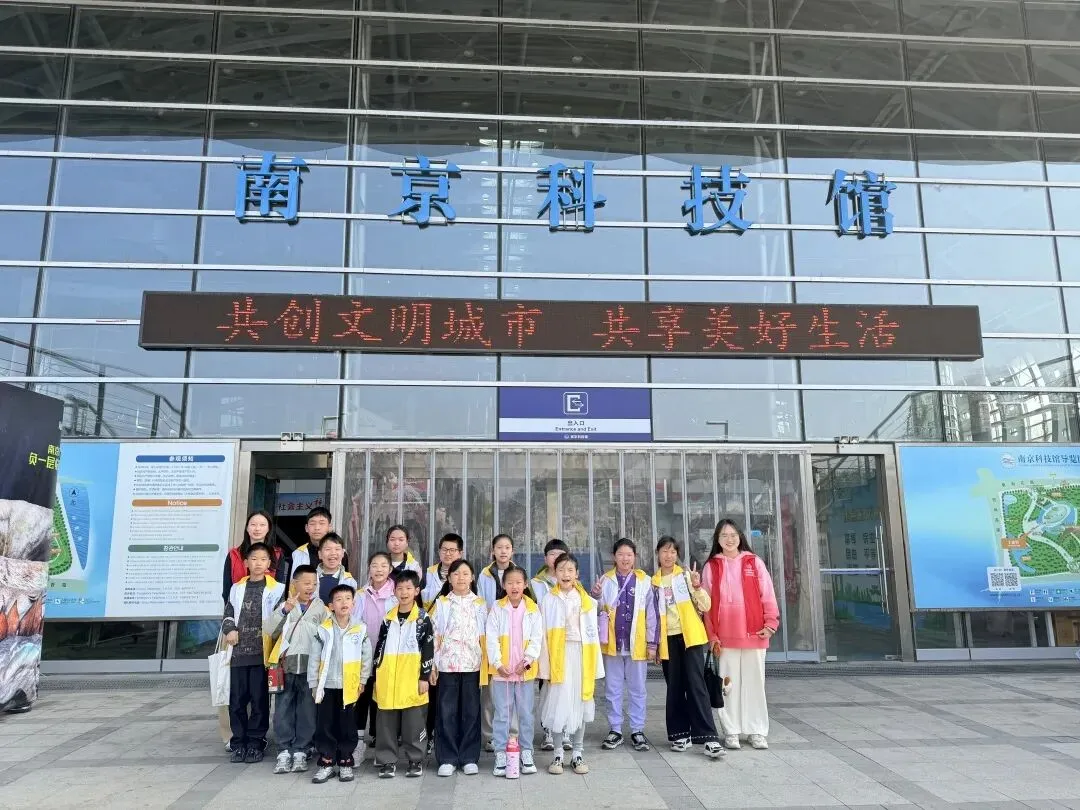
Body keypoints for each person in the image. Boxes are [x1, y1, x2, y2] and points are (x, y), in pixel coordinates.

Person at [702, 519, 780, 751]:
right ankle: (731, 730)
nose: (729, 539)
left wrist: (771, 622)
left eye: (733, 535)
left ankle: (757, 731)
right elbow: (705, 605)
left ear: (740, 537)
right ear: (717, 539)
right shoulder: (711, 567)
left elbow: (768, 594)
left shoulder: (754, 562)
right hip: (724, 638)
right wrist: (711, 635)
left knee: (755, 684)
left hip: (755, 634)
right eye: (724, 535)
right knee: (728, 685)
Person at [651, 536, 723, 760]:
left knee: (696, 685)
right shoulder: (652, 583)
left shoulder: (685, 576)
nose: (668, 555)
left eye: (673, 552)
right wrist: (654, 645)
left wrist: (697, 586)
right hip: (667, 640)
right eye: (664, 551)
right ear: (658, 554)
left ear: (677, 555)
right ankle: (680, 734)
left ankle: (709, 737)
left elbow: (706, 605)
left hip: (691, 638)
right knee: (674, 687)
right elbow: (650, 618)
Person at [218, 510, 284, 752]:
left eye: (262, 524)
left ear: (269, 563)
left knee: (259, 698)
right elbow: (228, 604)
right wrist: (229, 628)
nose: (257, 528)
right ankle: (236, 740)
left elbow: (279, 614)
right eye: (253, 524)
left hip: (261, 649)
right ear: (246, 562)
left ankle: (256, 740)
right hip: (237, 646)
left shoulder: (277, 586)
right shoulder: (236, 577)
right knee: (235, 698)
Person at [538, 553, 604, 776]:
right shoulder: (547, 600)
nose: (565, 574)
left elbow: (593, 636)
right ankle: (558, 753)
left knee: (581, 703)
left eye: (570, 570)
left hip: (581, 656)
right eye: (561, 570)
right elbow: (542, 636)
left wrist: (595, 665)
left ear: (577, 574)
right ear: (554, 573)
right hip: (558, 657)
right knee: (558, 703)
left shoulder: (587, 601)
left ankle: (577, 752)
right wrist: (544, 666)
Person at [590, 537, 656, 752]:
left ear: (635, 557)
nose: (625, 558)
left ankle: (637, 730)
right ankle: (615, 729)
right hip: (612, 645)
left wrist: (652, 643)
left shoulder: (645, 581)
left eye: (629, 554)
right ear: (614, 557)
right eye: (621, 554)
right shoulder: (606, 580)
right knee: (613, 689)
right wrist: (596, 596)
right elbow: (598, 610)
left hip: (637, 644)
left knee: (638, 689)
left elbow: (652, 614)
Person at [264, 564, 327, 774]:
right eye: (306, 583)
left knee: (307, 710)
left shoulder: (321, 608)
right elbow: (269, 630)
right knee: (283, 708)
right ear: (295, 583)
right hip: (286, 665)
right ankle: (284, 749)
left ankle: (301, 749)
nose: (311, 587)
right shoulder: (285, 605)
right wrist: (285, 611)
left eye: (314, 584)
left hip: (310, 667)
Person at [308, 584, 373, 784]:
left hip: (349, 686)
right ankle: (326, 761)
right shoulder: (323, 629)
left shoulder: (360, 629)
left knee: (347, 725)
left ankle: (345, 760)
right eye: (338, 599)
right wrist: (314, 683)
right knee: (325, 724)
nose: (343, 603)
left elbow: (366, 657)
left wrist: (362, 680)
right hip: (327, 685)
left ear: (353, 604)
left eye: (347, 599)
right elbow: (314, 658)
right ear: (331, 606)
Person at [373, 570, 435, 779]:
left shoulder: (423, 619)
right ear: (394, 591)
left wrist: (424, 677)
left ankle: (415, 760)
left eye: (409, 588)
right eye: (400, 588)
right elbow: (379, 647)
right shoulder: (388, 618)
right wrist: (377, 673)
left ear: (416, 591)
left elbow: (428, 649)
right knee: (386, 723)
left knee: (413, 723)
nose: (404, 592)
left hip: (412, 679)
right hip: (387, 677)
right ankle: (387, 761)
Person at [431, 559, 488, 777]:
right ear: (449, 578)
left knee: (471, 712)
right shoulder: (442, 604)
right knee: (446, 712)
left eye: (465, 574)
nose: (461, 578)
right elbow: (434, 636)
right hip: (447, 666)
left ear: (472, 577)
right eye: (456, 574)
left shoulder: (480, 604)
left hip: (472, 665)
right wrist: (433, 665)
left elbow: (486, 636)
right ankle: (447, 757)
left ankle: (468, 757)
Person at [486, 565, 542, 778]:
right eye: (510, 583)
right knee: (502, 714)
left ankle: (527, 751)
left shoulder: (533, 609)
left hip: (525, 673)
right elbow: (491, 638)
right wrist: (497, 663)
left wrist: (526, 662)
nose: (514, 586)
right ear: (504, 585)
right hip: (503, 673)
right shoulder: (497, 608)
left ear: (525, 584)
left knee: (526, 713)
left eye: (518, 582)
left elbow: (537, 639)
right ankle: (501, 753)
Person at [352, 550, 396, 762]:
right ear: (368, 569)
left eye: (383, 566)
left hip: (388, 657)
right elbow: (354, 623)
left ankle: (382, 744)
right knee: (361, 698)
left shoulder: (396, 595)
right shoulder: (360, 595)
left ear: (390, 569)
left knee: (383, 699)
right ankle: (358, 743)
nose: (379, 570)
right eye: (375, 565)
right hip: (363, 656)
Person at [422, 532, 464, 753]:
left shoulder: (464, 574)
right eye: (444, 550)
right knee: (433, 691)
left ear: (460, 553)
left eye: (452, 550)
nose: (448, 554)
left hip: (457, 647)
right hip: (431, 638)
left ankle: (454, 736)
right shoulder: (428, 574)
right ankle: (430, 735)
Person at [478, 533, 516, 750]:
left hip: (513, 636)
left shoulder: (518, 573)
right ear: (493, 551)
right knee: (490, 690)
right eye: (499, 547)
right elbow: (481, 603)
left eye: (507, 547)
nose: (503, 551)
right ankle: (489, 735)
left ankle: (512, 733)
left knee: (512, 686)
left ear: (512, 551)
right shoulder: (484, 575)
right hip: (491, 636)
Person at [532, 538, 569, 752]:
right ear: (545, 558)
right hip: (545, 643)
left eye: (560, 554)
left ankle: (565, 729)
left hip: (567, 643)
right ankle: (547, 729)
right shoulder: (535, 584)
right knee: (546, 686)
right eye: (552, 554)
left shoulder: (572, 582)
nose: (556, 558)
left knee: (565, 687)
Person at [290, 506, 335, 573]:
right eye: (312, 524)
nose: (317, 528)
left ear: (329, 527)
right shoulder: (297, 554)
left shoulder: (339, 553)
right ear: (306, 528)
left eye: (322, 523)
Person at [316, 533, 357, 604]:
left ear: (343, 553)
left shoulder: (350, 581)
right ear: (320, 554)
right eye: (328, 549)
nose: (333, 553)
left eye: (337, 549)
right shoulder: (311, 577)